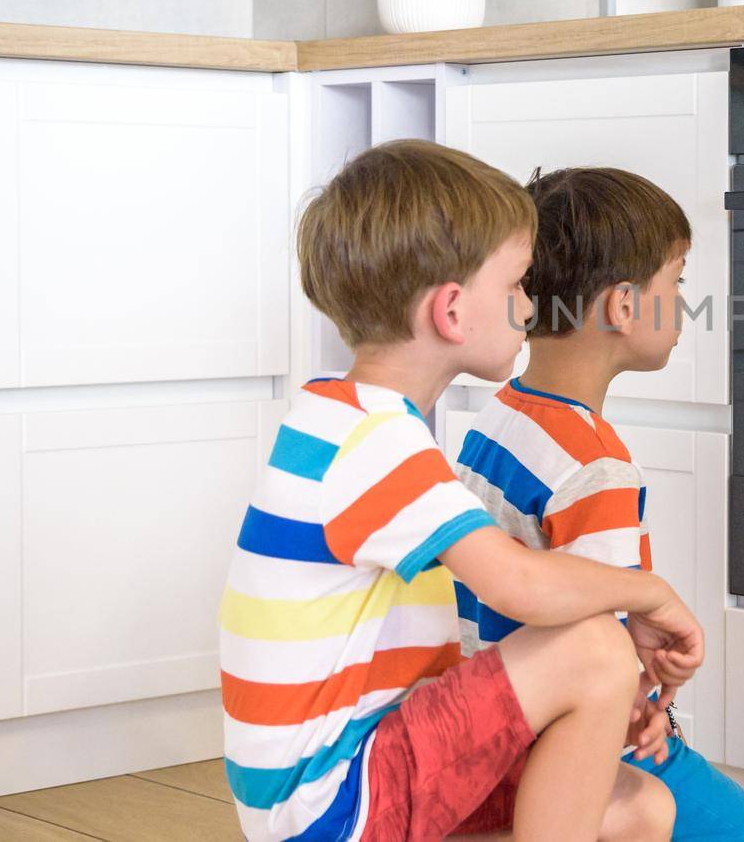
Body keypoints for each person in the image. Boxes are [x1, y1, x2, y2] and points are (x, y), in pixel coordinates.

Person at [219, 141, 704, 842]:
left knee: (639, 807)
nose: (529, 303)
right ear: (452, 312)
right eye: (514, 285)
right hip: (336, 802)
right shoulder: (376, 441)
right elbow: (520, 587)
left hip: (356, 770)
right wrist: (650, 594)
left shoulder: (342, 416)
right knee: (595, 649)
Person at [453, 167, 744, 842]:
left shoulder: (499, 420)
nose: (686, 302)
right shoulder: (595, 465)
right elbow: (593, 642)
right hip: (574, 748)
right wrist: (657, 716)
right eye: (679, 281)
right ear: (624, 307)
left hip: (493, 713)